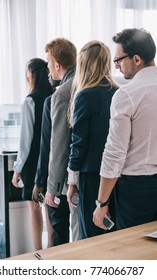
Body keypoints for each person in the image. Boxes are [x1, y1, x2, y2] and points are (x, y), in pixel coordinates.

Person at [93, 28, 157, 231]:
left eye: (119, 60)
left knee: (135, 255)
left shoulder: (126, 95)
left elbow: (114, 153)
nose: (117, 66)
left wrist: (101, 203)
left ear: (136, 59)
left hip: (136, 192)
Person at [66, 40, 118, 239]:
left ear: (84, 65)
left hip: (92, 176)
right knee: (113, 235)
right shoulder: (119, 93)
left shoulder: (84, 96)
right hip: (116, 175)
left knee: (92, 236)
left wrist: (72, 182)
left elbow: (78, 144)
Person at [33, 38, 81, 246]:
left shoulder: (61, 94)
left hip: (66, 180)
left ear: (57, 65)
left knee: (64, 234)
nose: (49, 68)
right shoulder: (87, 83)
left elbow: (58, 145)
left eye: (49, 63)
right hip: (91, 174)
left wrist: (50, 187)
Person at [12, 58, 54, 250]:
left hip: (33, 162)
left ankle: (38, 252)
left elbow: (25, 140)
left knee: (34, 206)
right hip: (51, 158)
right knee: (50, 205)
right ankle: (53, 248)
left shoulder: (30, 100)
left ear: (32, 74)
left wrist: (17, 168)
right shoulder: (55, 95)